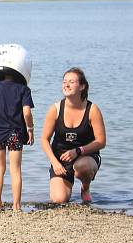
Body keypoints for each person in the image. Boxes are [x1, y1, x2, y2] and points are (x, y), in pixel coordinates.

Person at [40, 67, 107, 203]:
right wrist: (55, 163)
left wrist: (78, 151)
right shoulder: (55, 109)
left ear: (82, 86)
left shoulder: (92, 110)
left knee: (83, 167)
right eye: (64, 82)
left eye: (71, 82)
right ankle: (65, 185)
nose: (67, 85)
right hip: (61, 161)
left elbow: (101, 141)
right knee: (59, 200)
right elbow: (44, 140)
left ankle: (85, 187)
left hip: (85, 156)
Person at [0, 44, 35, 212]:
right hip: (16, 134)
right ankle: (16, 206)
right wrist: (30, 129)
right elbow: (26, 112)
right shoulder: (23, 90)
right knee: (16, 169)